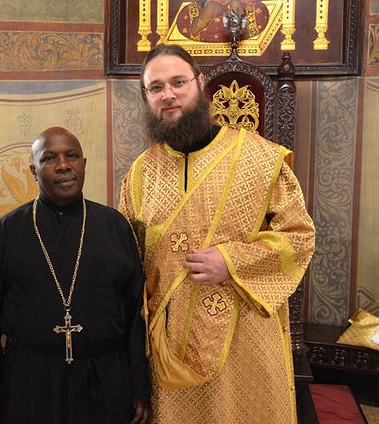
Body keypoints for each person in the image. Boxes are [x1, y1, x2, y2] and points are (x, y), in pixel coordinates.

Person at [118, 44, 315, 423]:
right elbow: (126, 257)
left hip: (244, 336)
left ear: (201, 84)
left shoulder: (260, 157)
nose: (168, 94)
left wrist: (232, 261)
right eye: (155, 87)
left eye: (178, 82)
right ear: (146, 97)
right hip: (170, 341)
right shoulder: (140, 173)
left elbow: (298, 237)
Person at [0, 127, 151, 423]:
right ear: (33, 170)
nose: (63, 165)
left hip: (106, 381)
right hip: (31, 383)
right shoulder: (5, 234)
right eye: (49, 158)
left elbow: (137, 315)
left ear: (83, 164)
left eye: (71, 156)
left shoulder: (115, 227)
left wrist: (139, 385)